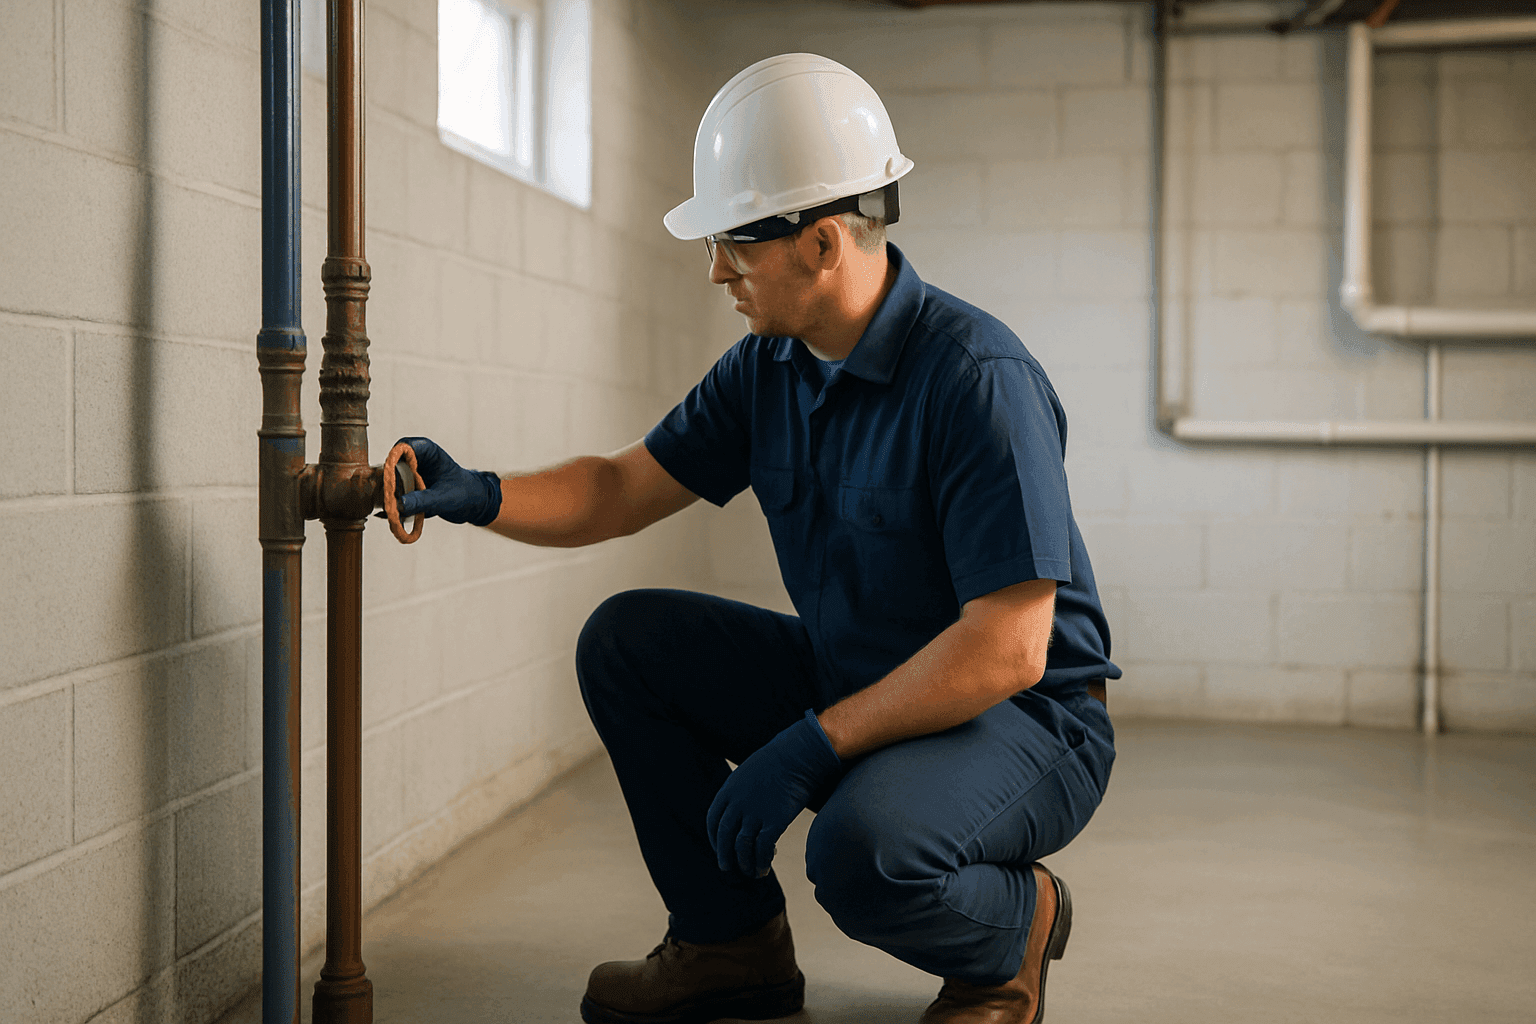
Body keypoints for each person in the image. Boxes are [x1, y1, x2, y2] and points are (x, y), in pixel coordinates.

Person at [391, 53, 1120, 1024]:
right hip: (859, 677)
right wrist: (479, 492)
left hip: (1026, 720)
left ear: (822, 242)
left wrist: (813, 746)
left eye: (735, 240)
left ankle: (1010, 932)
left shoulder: (976, 378)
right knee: (629, 642)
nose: (715, 269)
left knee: (859, 853)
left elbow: (1010, 646)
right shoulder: (769, 368)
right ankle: (729, 945)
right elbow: (617, 487)